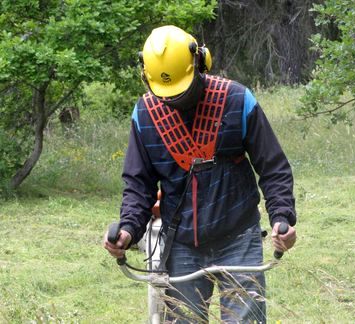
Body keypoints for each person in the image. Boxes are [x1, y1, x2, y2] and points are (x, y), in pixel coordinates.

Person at [104, 25, 297, 323]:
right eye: (166, 95)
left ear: (200, 63)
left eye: (181, 91)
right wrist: (128, 230)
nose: (173, 101)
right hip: (181, 243)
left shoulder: (237, 100)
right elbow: (138, 184)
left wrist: (282, 217)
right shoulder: (144, 115)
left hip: (239, 236)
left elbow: (272, 167)